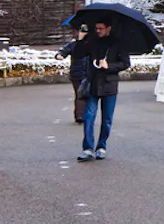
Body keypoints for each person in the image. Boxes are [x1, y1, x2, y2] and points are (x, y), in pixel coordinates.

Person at [77, 17, 131, 162]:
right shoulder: (92, 41)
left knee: (106, 119)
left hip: (109, 85)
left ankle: (101, 146)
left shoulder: (118, 43)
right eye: (96, 28)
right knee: (89, 116)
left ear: (109, 28)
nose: (98, 31)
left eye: (101, 28)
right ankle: (87, 148)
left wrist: (109, 66)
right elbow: (78, 54)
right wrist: (81, 39)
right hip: (93, 84)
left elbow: (125, 63)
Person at [56, 25, 89, 124]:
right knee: (79, 94)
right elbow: (63, 51)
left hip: (89, 73)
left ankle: (85, 114)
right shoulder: (73, 44)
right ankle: (80, 115)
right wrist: (60, 55)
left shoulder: (92, 44)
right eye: (82, 32)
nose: (84, 34)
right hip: (77, 73)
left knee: (88, 95)